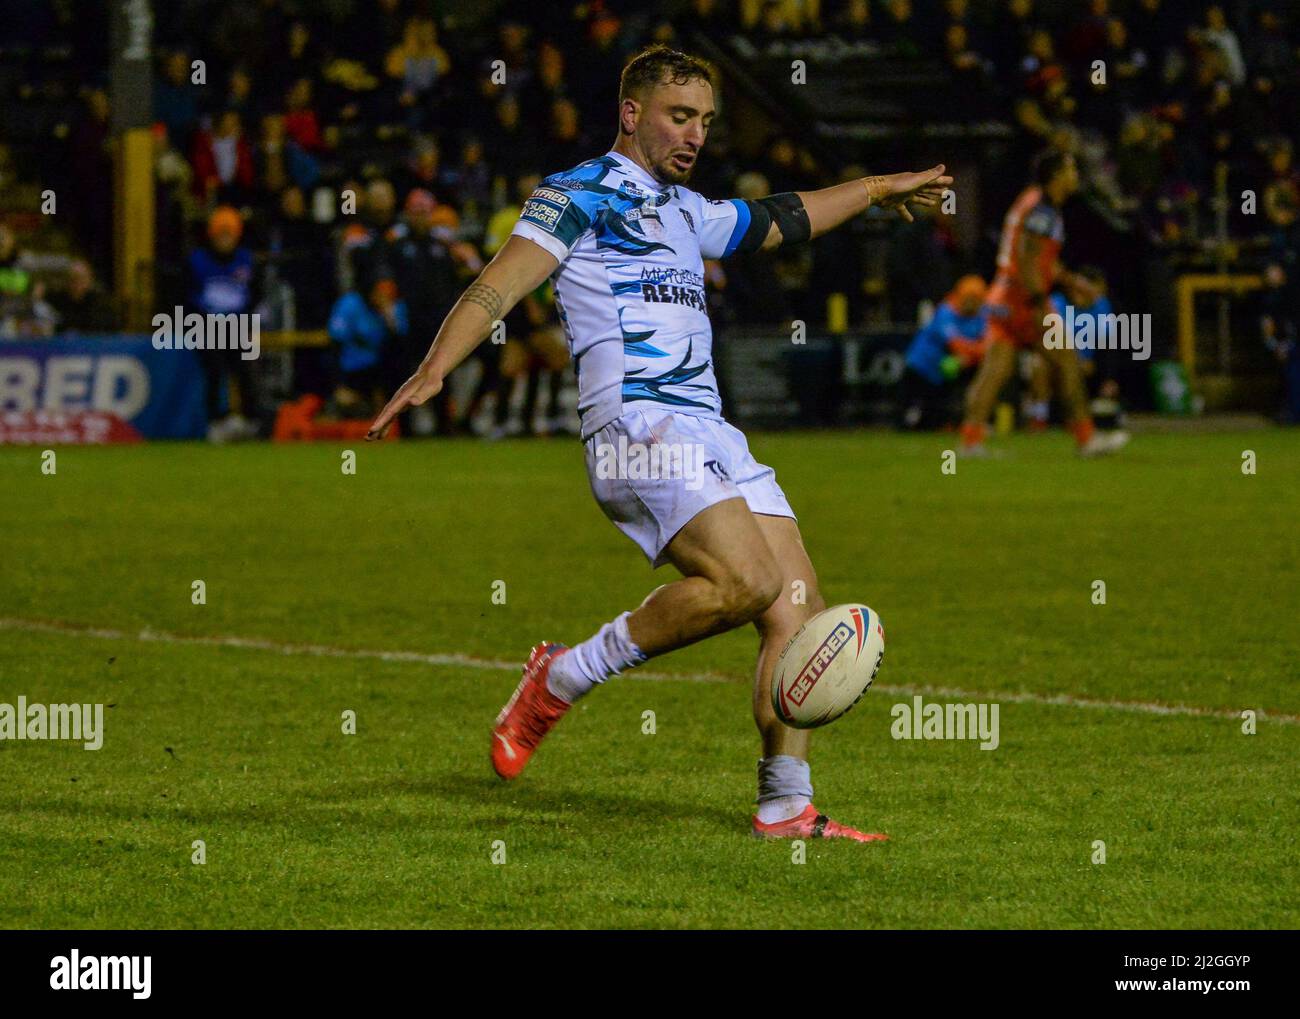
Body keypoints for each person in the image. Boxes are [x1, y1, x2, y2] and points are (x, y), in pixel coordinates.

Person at [367, 45, 950, 842]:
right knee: (745, 582)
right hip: (635, 424)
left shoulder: (686, 210)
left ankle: (785, 803)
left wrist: (881, 189)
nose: (695, 135)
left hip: (708, 428)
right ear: (632, 113)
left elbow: (784, 215)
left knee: (796, 607)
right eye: (680, 116)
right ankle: (563, 674)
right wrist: (435, 369)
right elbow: (498, 283)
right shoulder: (578, 194)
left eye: (706, 121)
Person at [958, 150, 1126, 457]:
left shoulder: (1032, 201)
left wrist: (1073, 282)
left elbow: (1040, 259)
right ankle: (1086, 439)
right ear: (1057, 176)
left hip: (1003, 295)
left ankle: (970, 441)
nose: (1075, 176)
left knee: (994, 372)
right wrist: (1037, 301)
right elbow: (1027, 258)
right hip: (1025, 299)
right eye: (1071, 170)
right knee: (1067, 362)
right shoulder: (1044, 210)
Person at [900, 274, 987, 429]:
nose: (971, 303)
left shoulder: (981, 316)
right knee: (910, 418)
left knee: (935, 418)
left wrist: (972, 355)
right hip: (922, 369)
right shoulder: (946, 312)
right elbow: (955, 344)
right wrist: (975, 352)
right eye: (968, 298)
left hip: (946, 372)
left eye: (976, 299)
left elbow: (990, 345)